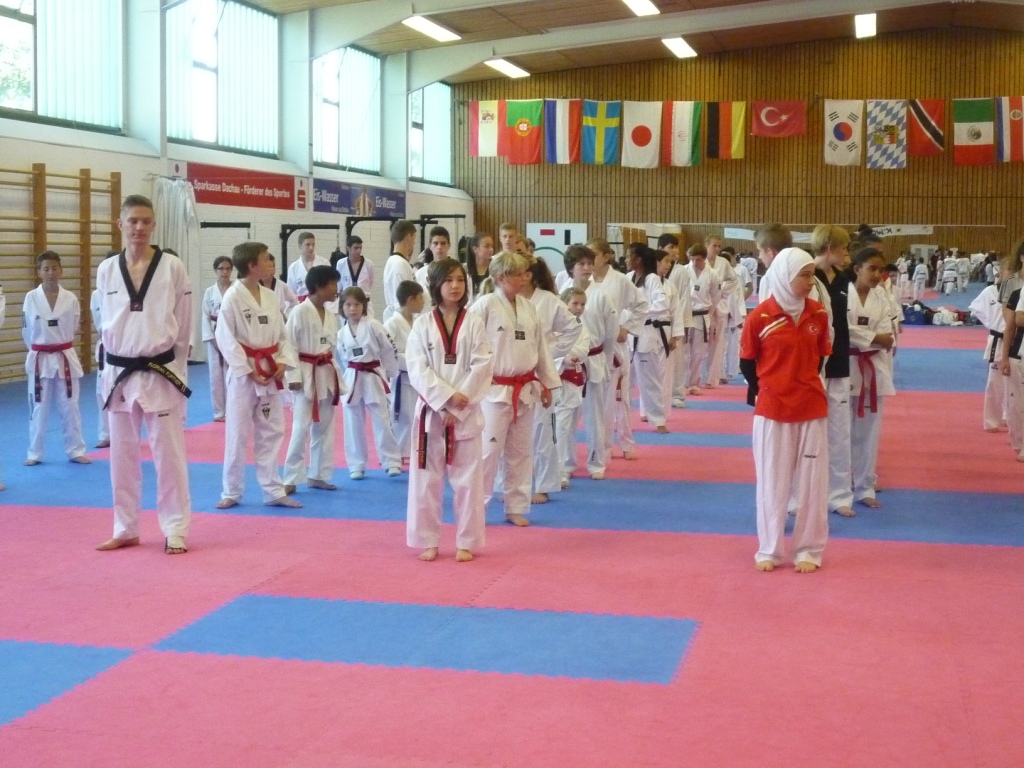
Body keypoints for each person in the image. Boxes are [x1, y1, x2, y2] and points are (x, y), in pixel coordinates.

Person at [96, 195, 193, 554]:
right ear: (120, 224)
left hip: (160, 370)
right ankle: (125, 527)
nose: (139, 227)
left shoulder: (172, 267)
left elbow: (184, 325)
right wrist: (105, 374)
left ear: (154, 225)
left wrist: (178, 372)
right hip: (119, 372)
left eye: (146, 221)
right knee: (121, 457)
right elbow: (104, 325)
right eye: (133, 220)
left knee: (169, 456)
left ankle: (175, 527)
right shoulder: (107, 269)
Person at [740, 248, 831, 573]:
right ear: (784, 275)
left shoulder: (818, 314)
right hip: (772, 409)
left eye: (812, 275)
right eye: (804, 275)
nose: (810, 282)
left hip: (811, 406)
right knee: (772, 482)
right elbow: (747, 364)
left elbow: (820, 358)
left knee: (812, 484)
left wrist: (800, 383)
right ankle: (769, 548)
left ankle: (808, 549)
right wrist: (771, 388)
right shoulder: (760, 316)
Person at [406, 259, 494, 562]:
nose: (455, 286)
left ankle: (466, 541)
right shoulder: (422, 325)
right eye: (448, 280)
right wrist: (445, 399)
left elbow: (483, 364)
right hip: (431, 414)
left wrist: (460, 402)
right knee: (425, 481)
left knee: (469, 482)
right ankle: (428, 540)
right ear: (435, 285)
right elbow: (417, 368)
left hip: (465, 413)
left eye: (459, 280)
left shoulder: (474, 322)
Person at [471, 252, 560, 527]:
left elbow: (541, 347)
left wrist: (547, 383)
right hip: (494, 390)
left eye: (525, 273)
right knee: (487, 453)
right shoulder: (484, 306)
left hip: (525, 388)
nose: (525, 278)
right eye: (518, 274)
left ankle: (516, 506)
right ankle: (476, 509)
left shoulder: (528, 307)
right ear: (501, 278)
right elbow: (469, 348)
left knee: (521, 452)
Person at [215, 242, 302, 510]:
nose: (270, 263)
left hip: (270, 370)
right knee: (237, 433)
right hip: (244, 375)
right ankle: (231, 490)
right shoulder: (232, 297)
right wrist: (248, 369)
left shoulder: (271, 295)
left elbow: (283, 335)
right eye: (266, 259)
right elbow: (225, 337)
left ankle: (273, 490)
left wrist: (283, 361)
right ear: (252, 266)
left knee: (272, 431)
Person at [22, 251, 90, 466]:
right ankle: (34, 453)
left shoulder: (70, 298)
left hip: (64, 356)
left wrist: (58, 343)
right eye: (46, 269)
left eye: (54, 268)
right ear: (39, 272)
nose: (50, 272)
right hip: (40, 358)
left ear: (61, 271)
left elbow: (74, 325)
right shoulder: (31, 298)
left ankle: (75, 450)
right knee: (38, 408)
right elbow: (27, 330)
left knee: (70, 406)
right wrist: (39, 348)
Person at [282, 265, 345, 495]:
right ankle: (290, 478)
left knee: (325, 428)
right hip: (305, 373)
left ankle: (318, 475)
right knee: (301, 428)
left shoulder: (331, 315)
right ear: (319, 286)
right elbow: (288, 345)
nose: (336, 289)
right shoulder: (299, 312)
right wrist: (293, 376)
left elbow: (333, 348)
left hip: (326, 372)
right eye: (333, 284)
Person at [523, 258, 581, 502]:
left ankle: (543, 485)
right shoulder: (501, 301)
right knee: (511, 435)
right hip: (510, 375)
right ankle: (510, 486)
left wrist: (549, 352)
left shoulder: (548, 300)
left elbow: (573, 328)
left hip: (540, 374)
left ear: (528, 275)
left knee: (543, 431)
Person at [586, 237, 648, 461]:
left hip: (614, 347)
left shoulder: (620, 280)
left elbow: (641, 305)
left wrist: (627, 327)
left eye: (593, 255)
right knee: (594, 404)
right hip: (589, 348)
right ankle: (600, 448)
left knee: (620, 398)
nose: (589, 261)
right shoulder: (582, 280)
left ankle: (625, 441)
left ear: (606, 256)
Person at [809, 226, 854, 517]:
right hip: (811, 363)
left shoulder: (846, 279)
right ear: (828, 247)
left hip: (838, 360)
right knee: (808, 433)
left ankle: (838, 495)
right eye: (843, 248)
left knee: (839, 431)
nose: (847, 253)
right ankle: (803, 496)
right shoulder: (806, 275)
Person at [847, 246, 897, 509]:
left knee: (869, 433)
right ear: (857, 269)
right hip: (844, 369)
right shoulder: (842, 294)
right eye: (872, 269)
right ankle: (840, 486)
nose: (877, 275)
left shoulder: (882, 299)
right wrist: (873, 337)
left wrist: (865, 337)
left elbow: (888, 338)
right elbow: (839, 330)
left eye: (881, 270)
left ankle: (865, 486)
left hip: (873, 370)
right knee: (840, 432)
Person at [562, 245, 618, 482]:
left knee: (595, 415)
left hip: (594, 359)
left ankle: (596, 461)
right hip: (567, 363)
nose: (586, 268)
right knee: (566, 416)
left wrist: (607, 361)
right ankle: (566, 463)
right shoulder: (562, 291)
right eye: (581, 264)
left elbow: (611, 333)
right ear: (571, 268)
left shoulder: (602, 294)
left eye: (589, 263)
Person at [337, 286, 403, 479]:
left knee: (382, 419)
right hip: (353, 375)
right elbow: (342, 357)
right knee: (352, 422)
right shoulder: (341, 333)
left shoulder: (374, 325)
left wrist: (390, 372)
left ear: (364, 306)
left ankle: (391, 461)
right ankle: (356, 464)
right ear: (342, 307)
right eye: (348, 305)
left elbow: (388, 349)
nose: (352, 309)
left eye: (357, 304)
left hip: (373, 374)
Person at [628, 244, 671, 433]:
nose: (626, 259)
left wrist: (639, 313)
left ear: (638, 259)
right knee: (622, 382)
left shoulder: (652, 279)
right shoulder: (627, 278)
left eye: (629, 256)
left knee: (650, 380)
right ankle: (620, 420)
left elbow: (662, 304)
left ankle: (658, 419)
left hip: (646, 333)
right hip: (627, 334)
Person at [384, 280, 426, 465]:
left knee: (416, 415)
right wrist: (412, 361)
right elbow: (388, 352)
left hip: (417, 377)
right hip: (401, 376)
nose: (423, 302)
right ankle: (397, 455)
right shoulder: (391, 324)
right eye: (420, 298)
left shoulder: (418, 322)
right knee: (402, 417)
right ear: (410, 299)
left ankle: (412, 452)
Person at [553, 285, 591, 485]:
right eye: (575, 303)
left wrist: (564, 354)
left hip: (572, 381)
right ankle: (556, 471)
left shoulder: (583, 327)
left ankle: (565, 466)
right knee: (556, 427)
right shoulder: (552, 324)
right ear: (563, 303)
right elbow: (547, 349)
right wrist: (562, 357)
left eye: (582, 304)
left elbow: (582, 351)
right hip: (551, 380)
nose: (579, 308)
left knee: (567, 427)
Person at [969, 269, 1010, 432]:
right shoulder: (990, 291)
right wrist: (991, 324)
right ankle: (991, 420)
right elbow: (975, 308)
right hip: (998, 339)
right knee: (994, 382)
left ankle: (1009, 416)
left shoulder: (1019, 291)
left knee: (1016, 383)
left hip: (1017, 340)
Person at [658, 233, 693, 408]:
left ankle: (678, 394)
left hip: (677, 320)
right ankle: (660, 395)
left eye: (676, 247)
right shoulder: (653, 271)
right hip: (658, 322)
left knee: (678, 360)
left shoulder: (681, 272)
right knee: (659, 362)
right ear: (660, 249)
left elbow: (685, 300)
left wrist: (683, 326)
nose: (674, 251)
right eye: (670, 247)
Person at [685, 243, 721, 396]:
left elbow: (716, 298)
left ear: (705, 259)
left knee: (698, 353)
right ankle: (680, 383)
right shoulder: (683, 271)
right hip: (685, 315)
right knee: (683, 352)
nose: (695, 263)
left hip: (702, 315)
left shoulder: (712, 275)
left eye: (698, 260)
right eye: (692, 259)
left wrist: (708, 314)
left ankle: (693, 383)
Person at [702, 235, 739, 387]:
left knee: (718, 345)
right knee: (699, 345)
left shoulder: (723, 262)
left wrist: (722, 291)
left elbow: (733, 280)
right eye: (714, 245)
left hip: (720, 305)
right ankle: (694, 378)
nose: (717, 249)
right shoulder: (699, 262)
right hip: (703, 307)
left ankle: (712, 379)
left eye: (719, 246)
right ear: (706, 244)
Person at [201, 256, 233, 422]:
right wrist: (213, 340)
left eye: (228, 268)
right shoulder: (209, 292)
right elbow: (205, 316)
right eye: (221, 268)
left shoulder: (236, 289)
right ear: (215, 270)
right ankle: (219, 412)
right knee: (215, 376)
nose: (224, 272)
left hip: (232, 335)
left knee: (232, 374)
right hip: (214, 336)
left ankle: (232, 410)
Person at [383, 219, 417, 322]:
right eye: (414, 238)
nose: (414, 243)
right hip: (400, 322)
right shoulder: (398, 264)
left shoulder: (399, 262)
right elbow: (400, 301)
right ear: (409, 237)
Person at [336, 235, 375, 316]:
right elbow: (339, 285)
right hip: (347, 303)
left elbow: (371, 284)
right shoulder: (341, 264)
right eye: (356, 248)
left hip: (364, 302)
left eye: (360, 248)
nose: (359, 250)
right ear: (348, 248)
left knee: (367, 323)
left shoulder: (369, 264)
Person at [414, 226, 451, 309]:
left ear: (449, 245)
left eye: (443, 243)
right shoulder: (420, 274)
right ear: (430, 246)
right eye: (435, 243)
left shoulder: (458, 272)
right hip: (427, 314)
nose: (439, 247)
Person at [755, 224, 794, 301]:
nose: (759, 256)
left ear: (770, 252)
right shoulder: (806, 276)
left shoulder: (767, 280)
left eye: (760, 251)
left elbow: (764, 308)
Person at [286, 231, 330, 301]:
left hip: (321, 301)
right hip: (300, 303)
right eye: (308, 245)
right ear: (300, 246)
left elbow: (329, 286)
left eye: (313, 244)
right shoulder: (293, 268)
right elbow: (291, 292)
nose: (311, 248)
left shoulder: (324, 263)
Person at [262, 254, 299, 318]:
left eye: (273, 266)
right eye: (268, 266)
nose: (271, 269)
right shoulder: (255, 285)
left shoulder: (281, 285)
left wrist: (287, 315)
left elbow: (294, 301)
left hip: (279, 319)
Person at [465, 232, 494, 301]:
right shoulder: (465, 269)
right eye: (486, 246)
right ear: (475, 249)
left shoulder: (496, 266)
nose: (491, 249)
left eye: (492, 246)